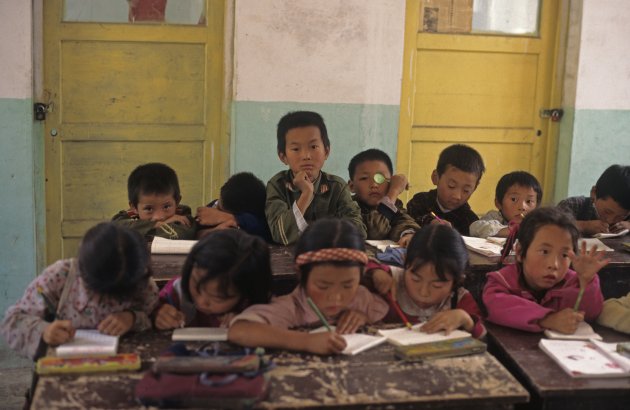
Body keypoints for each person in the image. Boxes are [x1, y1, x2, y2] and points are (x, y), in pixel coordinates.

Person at [228, 218, 389, 355]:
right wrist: (305, 341)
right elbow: (240, 330)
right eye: (323, 286)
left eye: (348, 285)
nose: (336, 297)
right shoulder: (293, 307)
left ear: (361, 274)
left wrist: (364, 318)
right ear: (300, 273)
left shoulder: (361, 298)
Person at [1, 223, 159, 359]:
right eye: (95, 292)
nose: (102, 301)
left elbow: (154, 315)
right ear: (82, 270)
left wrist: (132, 318)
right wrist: (44, 332)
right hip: (62, 369)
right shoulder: (61, 276)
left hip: (128, 365)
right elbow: (11, 323)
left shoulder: (140, 280)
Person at [483, 207, 607, 333]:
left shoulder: (572, 282)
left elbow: (590, 313)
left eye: (564, 255)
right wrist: (547, 319)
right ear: (520, 252)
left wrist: (587, 282)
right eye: (544, 252)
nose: (554, 264)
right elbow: (497, 306)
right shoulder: (502, 281)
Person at [366, 224, 485, 338]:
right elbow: (358, 264)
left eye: (437, 285)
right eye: (415, 279)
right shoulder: (393, 278)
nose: (423, 292)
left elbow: (482, 335)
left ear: (458, 279)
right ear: (405, 262)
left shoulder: (458, 299)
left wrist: (466, 320)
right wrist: (375, 272)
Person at [265, 111, 366, 245]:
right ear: (283, 156)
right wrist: (306, 194)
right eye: (296, 149)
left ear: (326, 151)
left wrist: (312, 232)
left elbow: (358, 230)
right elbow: (281, 234)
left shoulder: (337, 187)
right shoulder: (277, 185)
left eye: (313, 147)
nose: (306, 155)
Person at [154, 229, 272, 329]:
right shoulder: (176, 292)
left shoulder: (253, 306)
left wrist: (248, 321)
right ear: (190, 268)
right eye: (196, 285)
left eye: (218, 298)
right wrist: (159, 314)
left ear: (244, 294)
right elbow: (150, 311)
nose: (200, 302)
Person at [406, 144, 485, 236]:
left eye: (466, 190)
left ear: (475, 188)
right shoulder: (420, 202)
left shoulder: (469, 220)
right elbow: (407, 222)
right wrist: (430, 223)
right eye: (451, 186)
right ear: (436, 177)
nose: (457, 196)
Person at [347, 149, 419, 247]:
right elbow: (375, 231)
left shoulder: (395, 204)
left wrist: (408, 234)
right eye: (364, 178)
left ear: (390, 182)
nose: (374, 184)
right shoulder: (349, 206)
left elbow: (404, 222)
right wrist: (393, 192)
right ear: (351, 186)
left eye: (380, 178)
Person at [112, 162, 196, 240]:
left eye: (166, 207)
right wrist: (157, 225)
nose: (159, 217)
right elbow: (113, 228)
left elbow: (179, 234)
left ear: (177, 202)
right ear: (134, 207)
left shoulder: (183, 217)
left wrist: (140, 229)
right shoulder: (130, 215)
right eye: (149, 209)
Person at [196, 172, 271, 241]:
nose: (215, 209)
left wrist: (233, 219)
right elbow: (192, 231)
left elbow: (267, 229)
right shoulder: (212, 207)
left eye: (219, 209)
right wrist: (211, 232)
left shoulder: (260, 218)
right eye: (218, 204)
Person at [557, 164, 630, 236]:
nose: (611, 220)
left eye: (621, 217)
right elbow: (550, 227)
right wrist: (584, 226)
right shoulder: (572, 205)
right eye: (607, 212)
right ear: (594, 193)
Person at [470, 171, 542, 238]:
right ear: (498, 203)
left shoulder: (538, 224)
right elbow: (474, 228)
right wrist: (509, 230)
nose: (522, 207)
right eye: (514, 199)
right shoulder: (495, 216)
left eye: (529, 201)